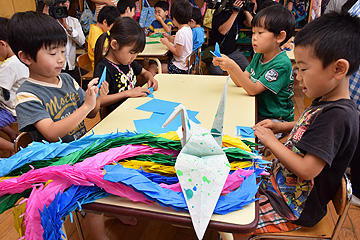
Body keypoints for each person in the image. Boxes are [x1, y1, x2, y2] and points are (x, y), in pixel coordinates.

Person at [235, 12, 360, 239]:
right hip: (278, 185)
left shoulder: (338, 117)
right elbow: (310, 124)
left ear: (338, 69)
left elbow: (307, 169)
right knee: (233, 175)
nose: (298, 77)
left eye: (303, 69)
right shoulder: (327, 102)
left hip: (293, 207)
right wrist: (281, 127)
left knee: (235, 226)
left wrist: (272, 142)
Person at [213, 5, 295, 124]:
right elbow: (240, 81)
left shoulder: (281, 64)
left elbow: (253, 89)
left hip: (275, 120)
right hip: (257, 111)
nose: (254, 38)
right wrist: (226, 66)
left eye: (260, 33)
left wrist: (232, 66)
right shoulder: (259, 55)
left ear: (280, 36)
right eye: (253, 33)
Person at [94, 17, 158, 115]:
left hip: (135, 109)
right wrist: (127, 93)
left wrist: (150, 77)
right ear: (114, 44)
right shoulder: (103, 68)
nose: (134, 57)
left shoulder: (128, 62)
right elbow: (99, 101)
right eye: (132, 52)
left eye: (136, 53)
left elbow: (144, 72)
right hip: (117, 116)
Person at [0, 17, 29, 155]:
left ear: (2, 44)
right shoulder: (23, 57)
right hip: (23, 107)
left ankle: (14, 147)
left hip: (14, 111)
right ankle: (13, 135)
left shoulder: (9, 66)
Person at [206, 0, 252, 75]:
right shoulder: (219, 12)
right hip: (217, 52)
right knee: (217, 72)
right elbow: (223, 31)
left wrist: (246, 10)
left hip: (232, 52)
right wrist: (234, 13)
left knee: (247, 67)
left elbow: (251, 24)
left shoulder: (238, 13)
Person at [55, 0, 86, 85]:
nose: (64, 5)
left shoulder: (74, 21)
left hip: (71, 66)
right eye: (60, 3)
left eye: (66, 2)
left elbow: (82, 41)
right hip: (57, 67)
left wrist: (67, 26)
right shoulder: (51, 22)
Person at [160, 0, 193, 74]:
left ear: (174, 19)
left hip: (180, 68)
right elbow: (181, 43)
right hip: (187, 66)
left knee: (152, 68)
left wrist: (167, 43)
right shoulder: (188, 28)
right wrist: (169, 38)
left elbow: (178, 53)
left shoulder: (180, 33)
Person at [88, 6, 120, 70]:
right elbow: (98, 51)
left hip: (106, 63)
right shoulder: (95, 31)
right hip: (99, 66)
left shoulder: (104, 31)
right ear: (105, 22)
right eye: (113, 26)